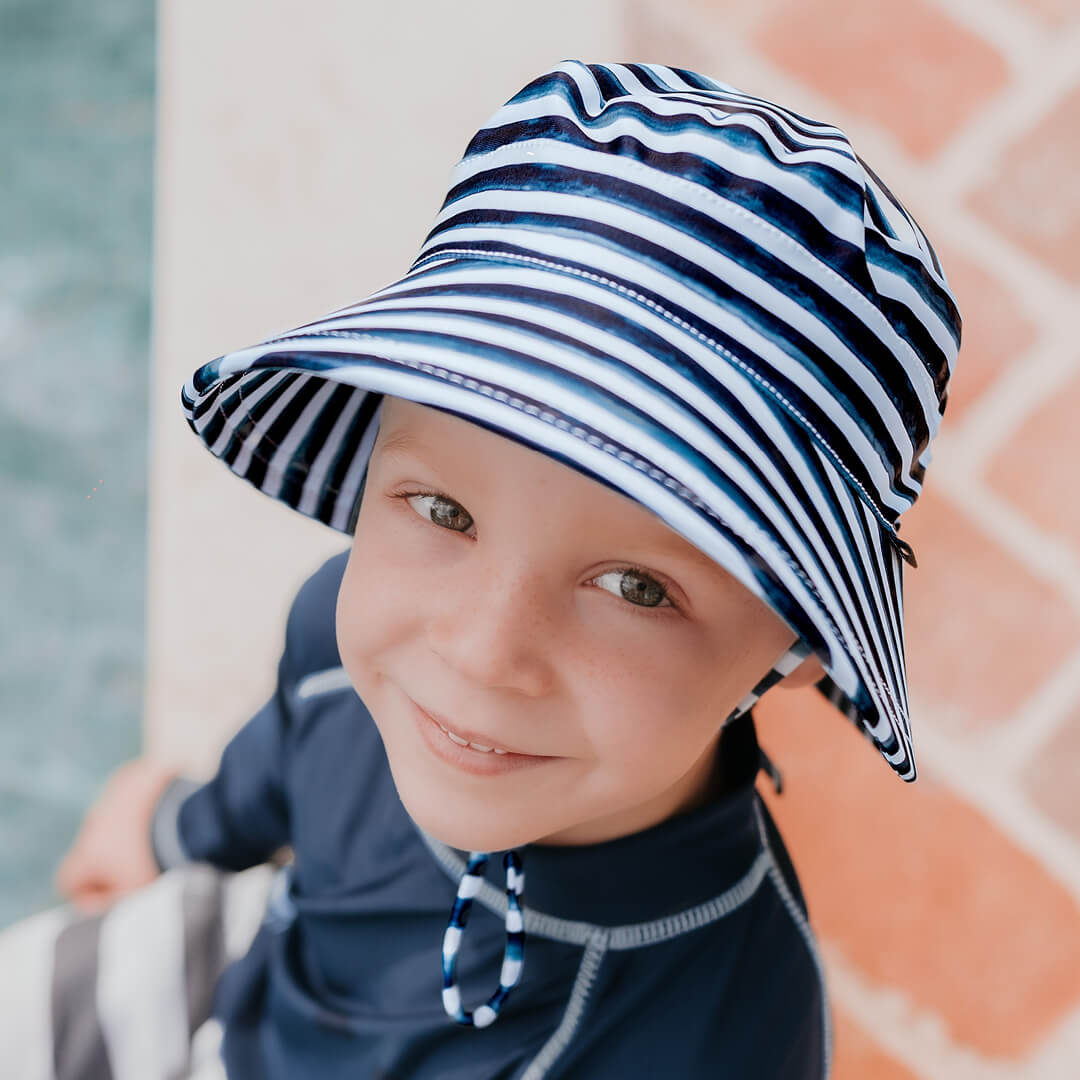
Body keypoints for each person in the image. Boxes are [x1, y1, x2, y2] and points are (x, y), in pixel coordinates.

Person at [13, 59, 961, 1079]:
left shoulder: (725, 1029)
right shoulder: (349, 647)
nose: (478, 651)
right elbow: (283, 759)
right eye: (443, 510)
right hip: (250, 971)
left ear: (803, 643)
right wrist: (175, 830)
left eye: (637, 588)